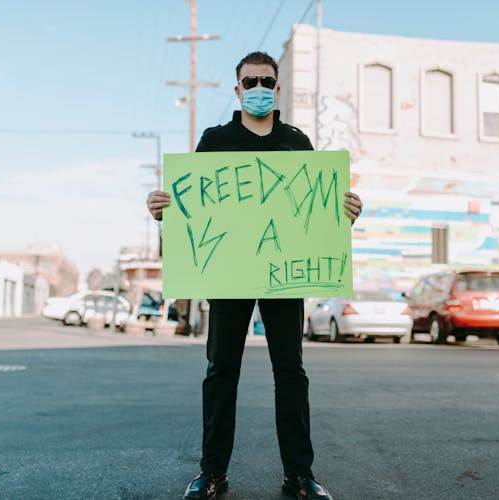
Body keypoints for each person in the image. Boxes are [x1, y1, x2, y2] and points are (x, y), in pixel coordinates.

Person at [146, 51, 363, 500]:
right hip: (229, 274)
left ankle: (299, 474)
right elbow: (193, 207)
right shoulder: (215, 140)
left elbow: (317, 211)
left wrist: (346, 214)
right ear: (237, 88)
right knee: (221, 371)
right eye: (251, 82)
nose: (259, 88)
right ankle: (212, 473)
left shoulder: (296, 142)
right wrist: (163, 211)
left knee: (291, 372)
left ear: (277, 88)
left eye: (267, 81)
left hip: (285, 274)